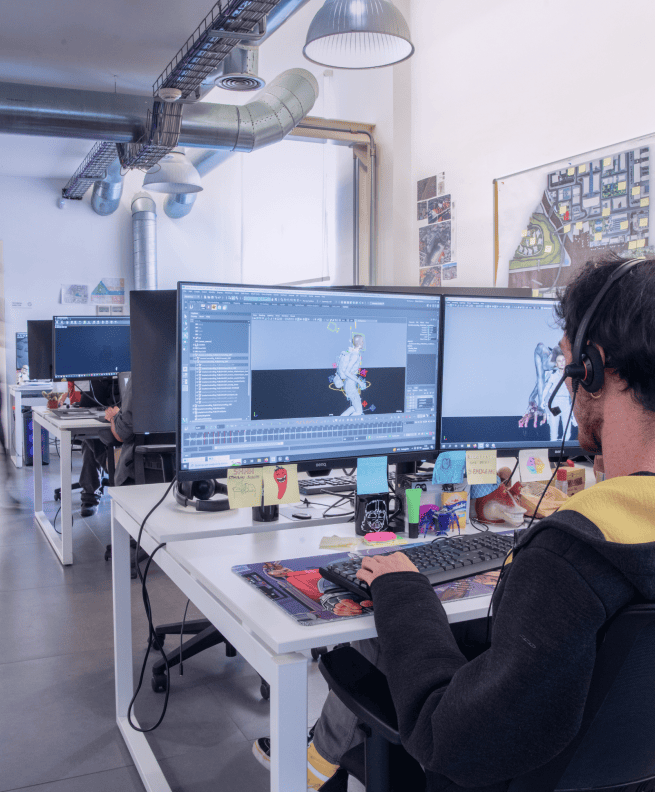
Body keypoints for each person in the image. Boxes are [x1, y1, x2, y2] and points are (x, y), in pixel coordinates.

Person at [254, 257, 655, 791]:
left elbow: (451, 742)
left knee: (367, 643)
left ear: (593, 366)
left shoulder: (569, 558)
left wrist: (403, 589)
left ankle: (311, 765)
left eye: (566, 366)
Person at [79, 376, 134, 516]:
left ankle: (90, 495)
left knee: (91, 438)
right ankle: (90, 494)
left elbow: (122, 434)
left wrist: (114, 417)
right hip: (165, 459)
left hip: (133, 462)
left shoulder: (137, 381)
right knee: (91, 439)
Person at [541, 345, 577, 441]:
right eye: (559, 361)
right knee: (554, 431)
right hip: (555, 404)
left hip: (566, 403)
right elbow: (546, 390)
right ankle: (553, 453)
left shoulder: (570, 377)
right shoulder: (553, 376)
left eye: (563, 361)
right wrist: (543, 403)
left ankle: (565, 452)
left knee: (567, 432)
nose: (561, 363)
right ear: (556, 364)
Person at [335, 334, 367, 416]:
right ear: (359, 343)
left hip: (350, 384)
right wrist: (360, 382)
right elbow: (347, 372)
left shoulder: (354, 353)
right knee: (359, 411)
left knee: (355, 408)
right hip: (350, 385)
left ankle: (339, 420)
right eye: (362, 341)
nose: (363, 343)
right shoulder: (355, 355)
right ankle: (341, 423)